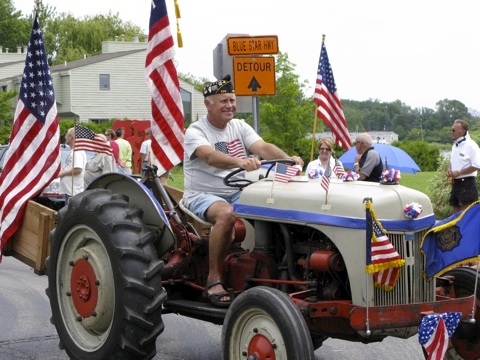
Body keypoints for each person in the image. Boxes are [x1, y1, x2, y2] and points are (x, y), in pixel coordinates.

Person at [183, 74, 303, 307]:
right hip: (203, 195)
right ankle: (213, 279)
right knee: (226, 213)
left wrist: (288, 159)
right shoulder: (196, 131)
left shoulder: (239, 126)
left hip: (238, 190)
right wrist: (240, 162)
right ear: (208, 104)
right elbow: (209, 156)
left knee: (273, 203)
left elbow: (263, 147)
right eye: (223, 101)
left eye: (232, 100)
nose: (230, 105)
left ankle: (273, 268)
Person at [446, 119, 480, 213]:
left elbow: (477, 165)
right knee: (455, 214)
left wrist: (459, 172)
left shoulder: (471, 145)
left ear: (462, 131)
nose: (451, 132)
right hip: (456, 183)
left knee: (465, 215)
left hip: (467, 184)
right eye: (451, 130)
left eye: (454, 130)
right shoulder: (455, 146)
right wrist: (450, 169)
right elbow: (453, 161)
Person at [58, 127, 87, 202]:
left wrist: (62, 173)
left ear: (70, 137)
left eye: (66, 136)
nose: (65, 138)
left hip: (73, 193)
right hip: (70, 192)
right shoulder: (74, 150)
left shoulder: (77, 151)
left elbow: (78, 170)